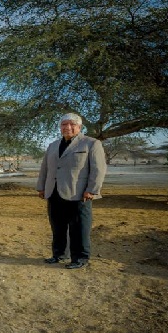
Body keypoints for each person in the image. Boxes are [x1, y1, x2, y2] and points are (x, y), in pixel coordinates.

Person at [36, 113, 107, 269]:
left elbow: (98, 169)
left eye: (72, 124)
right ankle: (59, 254)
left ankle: (80, 258)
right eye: (64, 124)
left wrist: (92, 190)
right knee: (57, 227)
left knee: (79, 228)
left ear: (79, 127)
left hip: (78, 193)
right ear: (60, 127)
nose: (67, 127)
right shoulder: (53, 145)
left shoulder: (91, 143)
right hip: (54, 192)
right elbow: (45, 168)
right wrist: (41, 187)